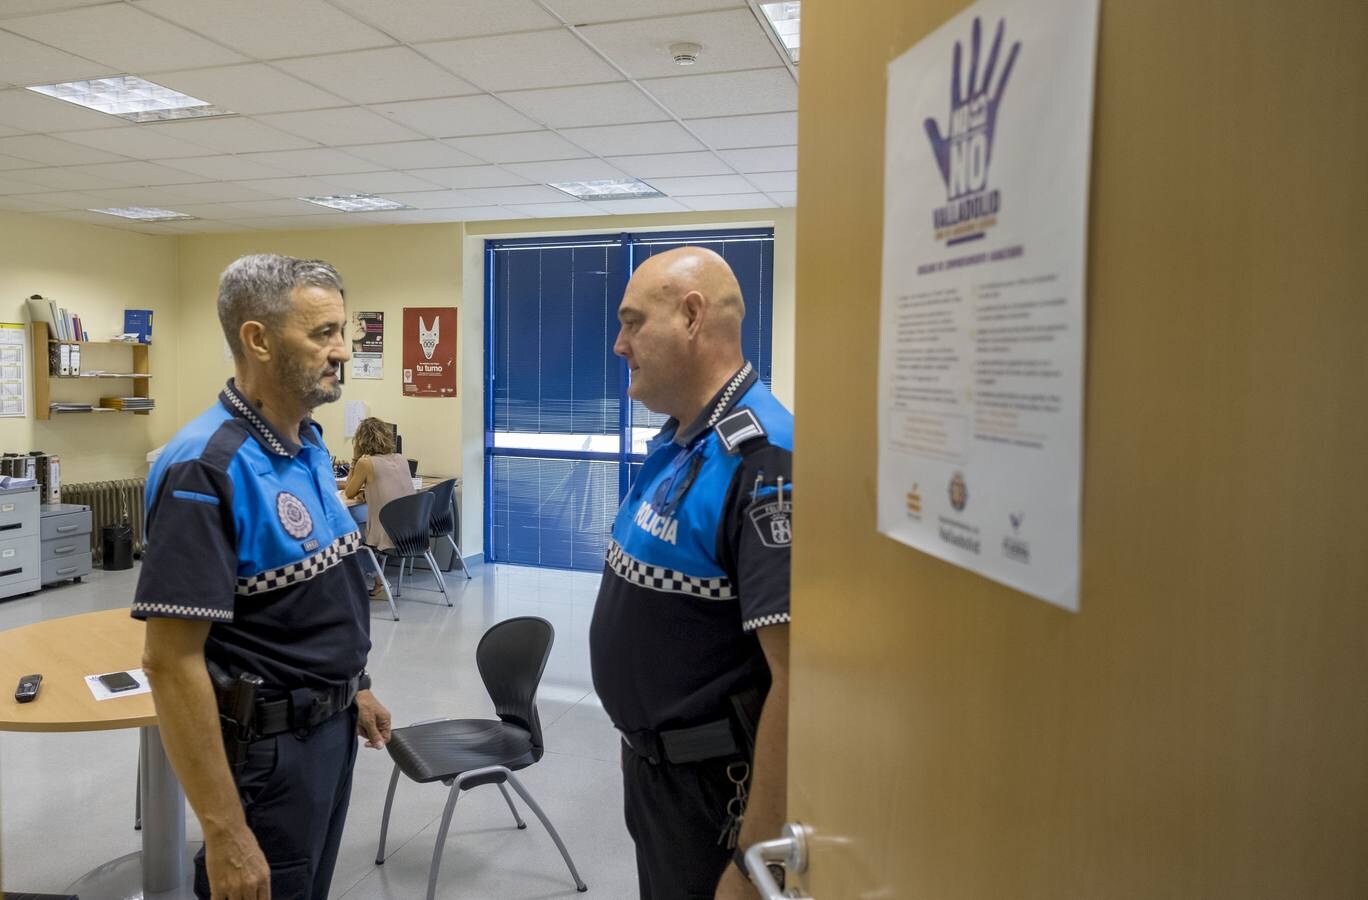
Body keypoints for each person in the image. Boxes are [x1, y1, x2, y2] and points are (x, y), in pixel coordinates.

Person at [134, 254, 392, 900]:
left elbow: (316, 595)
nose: (341, 351)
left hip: (328, 730)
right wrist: (224, 831)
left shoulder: (304, 443)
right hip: (267, 754)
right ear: (257, 339)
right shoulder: (206, 468)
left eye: (343, 331)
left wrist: (352, 683)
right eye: (323, 333)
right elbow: (170, 663)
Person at [589, 246, 793, 899]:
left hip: (717, 793)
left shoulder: (764, 459)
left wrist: (755, 862)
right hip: (659, 774)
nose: (619, 344)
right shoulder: (681, 439)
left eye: (632, 322)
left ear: (691, 316)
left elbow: (801, 678)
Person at [343, 417, 414, 598]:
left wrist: (354, 459)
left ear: (361, 441)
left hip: (388, 534)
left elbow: (349, 492)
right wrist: (368, 492)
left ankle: (379, 581)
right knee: (358, 517)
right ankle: (378, 569)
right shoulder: (401, 458)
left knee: (349, 535)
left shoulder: (365, 463)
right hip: (411, 531)